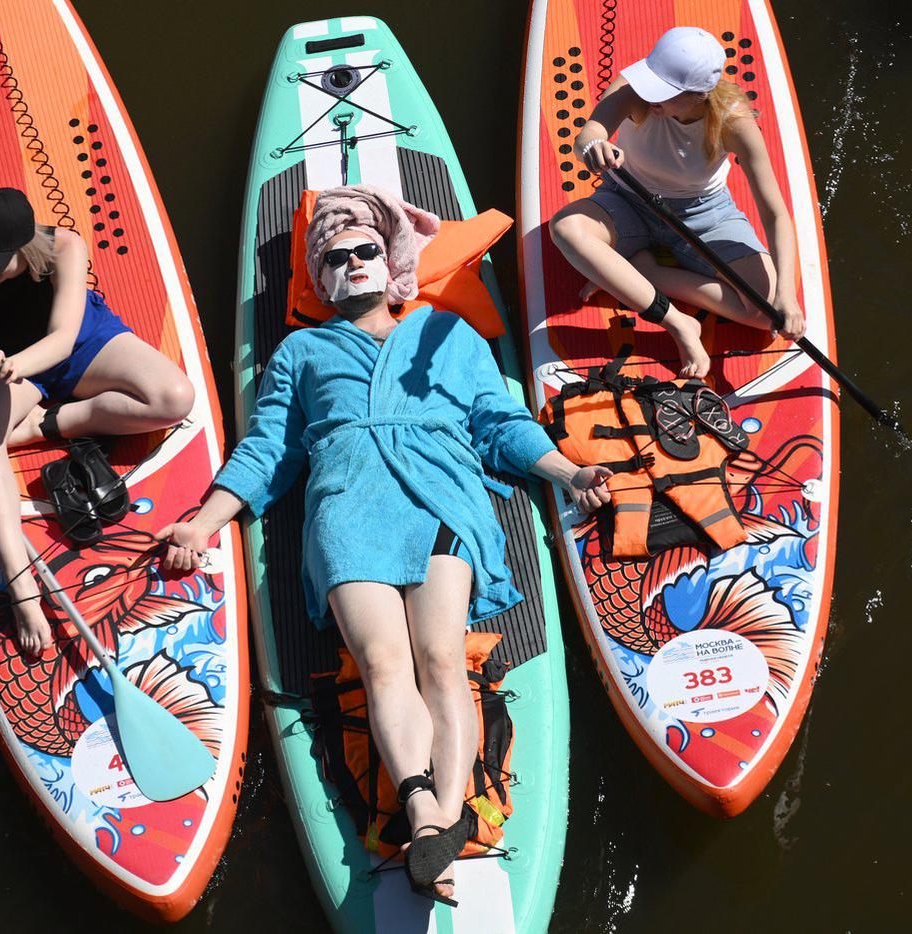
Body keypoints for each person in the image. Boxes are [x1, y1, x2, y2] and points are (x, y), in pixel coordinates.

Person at [159, 184, 609, 905]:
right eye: (333, 259)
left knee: (439, 656)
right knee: (380, 660)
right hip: (346, 506)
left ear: (391, 258)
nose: (352, 264)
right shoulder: (301, 351)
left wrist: (567, 469)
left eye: (366, 250)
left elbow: (499, 420)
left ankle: (449, 812)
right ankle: (425, 806)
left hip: (439, 493)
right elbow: (270, 449)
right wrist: (203, 521)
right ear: (321, 278)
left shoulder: (446, 333)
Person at [0, 187, 196, 658]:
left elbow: (64, 337)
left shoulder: (65, 247)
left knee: (175, 398)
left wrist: (20, 367)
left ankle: (47, 424)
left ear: (24, 248)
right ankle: (21, 587)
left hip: (73, 347)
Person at [550, 25, 807, 377]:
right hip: (628, 198)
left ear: (699, 96)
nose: (651, 97)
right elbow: (589, 134)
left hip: (703, 212)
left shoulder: (733, 123)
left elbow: (775, 213)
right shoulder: (635, 90)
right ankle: (678, 323)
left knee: (767, 313)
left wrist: (786, 296)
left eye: (665, 93)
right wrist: (594, 147)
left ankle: (646, 272)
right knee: (566, 228)